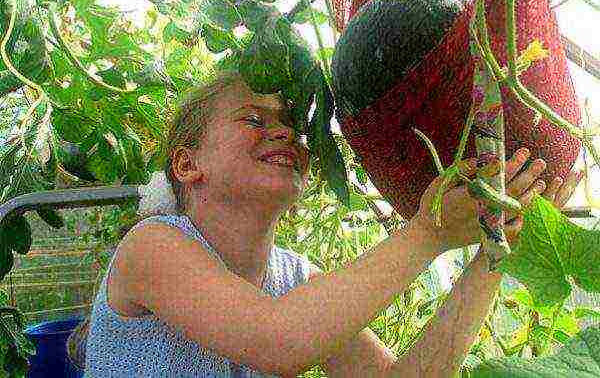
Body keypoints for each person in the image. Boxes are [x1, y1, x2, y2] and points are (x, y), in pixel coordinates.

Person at [72, 68, 581, 377]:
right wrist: (430, 231)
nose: (284, 135)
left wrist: (492, 255)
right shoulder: (153, 246)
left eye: (292, 127)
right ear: (187, 166)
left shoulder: (292, 278)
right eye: (254, 119)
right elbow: (280, 342)